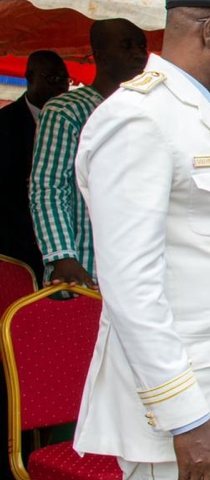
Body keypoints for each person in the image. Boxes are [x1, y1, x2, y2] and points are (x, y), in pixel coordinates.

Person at [74, 0, 210, 480]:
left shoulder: (209, 115)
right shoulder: (140, 117)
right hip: (179, 411)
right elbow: (131, 287)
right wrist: (184, 416)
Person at [30, 18, 148, 287]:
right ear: (102, 57)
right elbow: (49, 187)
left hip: (138, 273)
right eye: (127, 46)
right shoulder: (66, 111)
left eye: (142, 46)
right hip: (82, 271)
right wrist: (62, 257)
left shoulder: (148, 111)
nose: (139, 54)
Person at [0, 50, 69, 280]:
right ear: (29, 77)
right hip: (15, 243)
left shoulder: (73, 121)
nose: (60, 86)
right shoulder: (5, 122)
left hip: (63, 241)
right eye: (52, 79)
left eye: (64, 79)